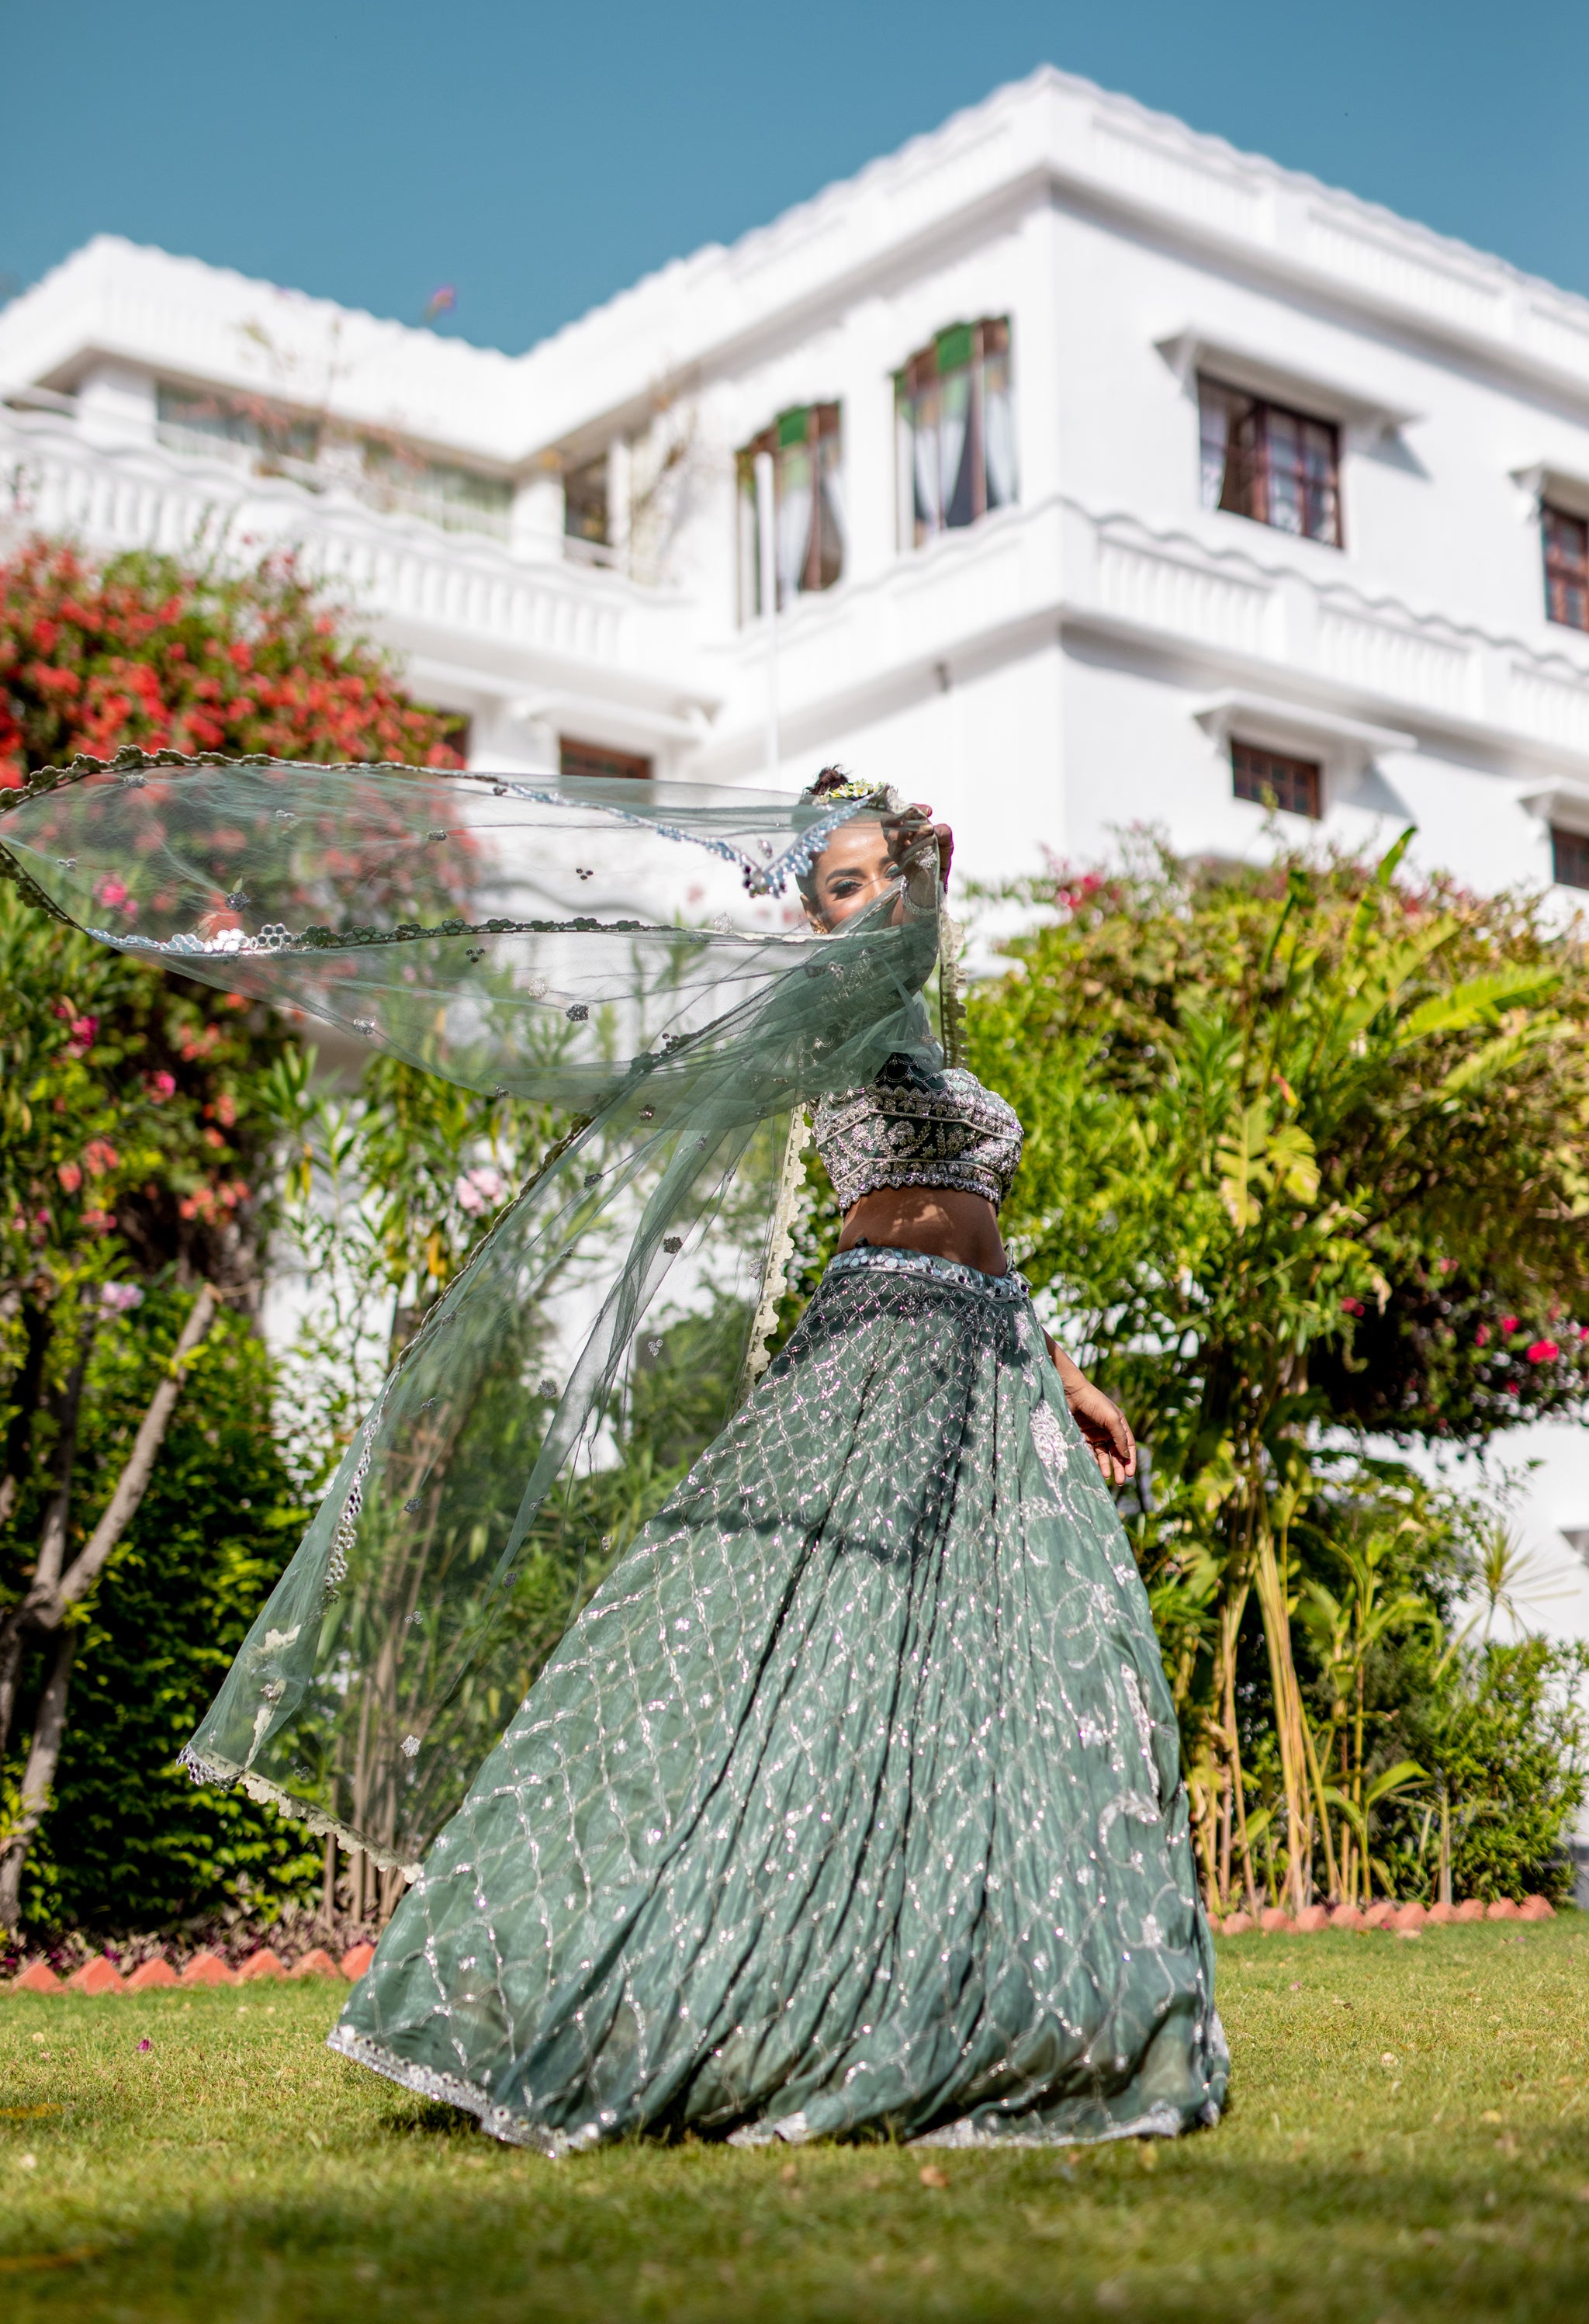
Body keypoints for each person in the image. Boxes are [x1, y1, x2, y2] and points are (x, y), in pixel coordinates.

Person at [327, 768, 1227, 2152]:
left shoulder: (927, 1027)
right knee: (804, 1658)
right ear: (812, 918)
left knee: (1021, 1677)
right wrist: (899, 895)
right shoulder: (835, 1003)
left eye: (883, 874)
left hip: (989, 1361)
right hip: (879, 1352)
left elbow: (975, 1212)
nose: (873, 902)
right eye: (842, 883)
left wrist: (1063, 1369)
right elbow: (882, 999)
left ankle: (981, 1991)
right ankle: (667, 1987)